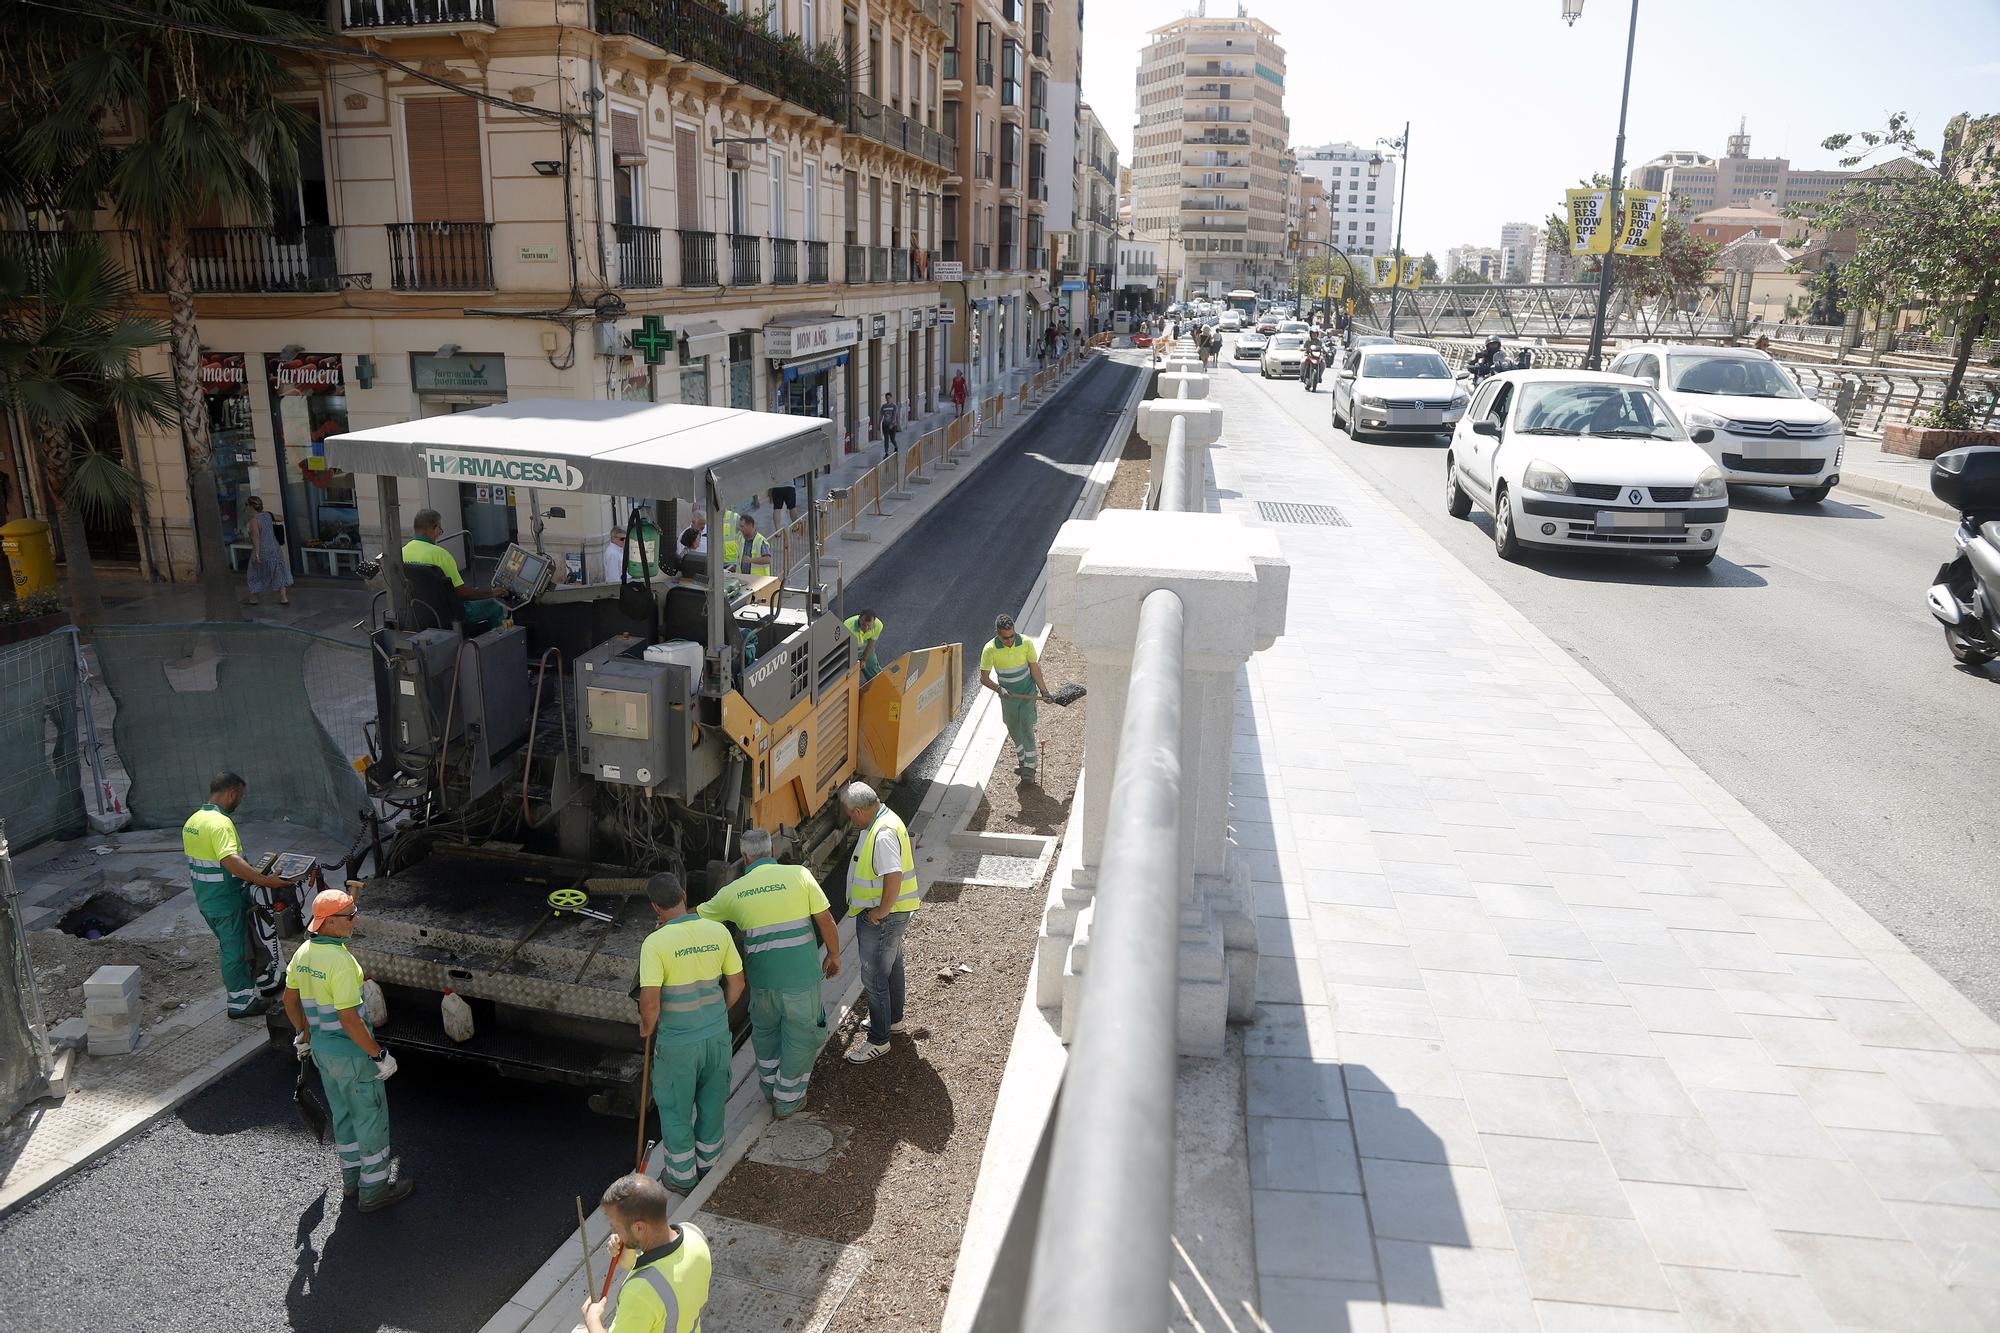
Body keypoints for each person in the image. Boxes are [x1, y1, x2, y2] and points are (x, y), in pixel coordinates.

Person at [282, 888, 415, 1212]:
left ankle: (352, 1182)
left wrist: (303, 1033)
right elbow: (350, 1020)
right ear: (328, 921)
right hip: (353, 1057)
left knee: (343, 1118)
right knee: (370, 1120)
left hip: (324, 1055)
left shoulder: (304, 953)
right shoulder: (341, 962)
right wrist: (378, 1055)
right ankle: (375, 1191)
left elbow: (289, 1000)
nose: (356, 920)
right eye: (350, 916)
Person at [697, 829, 840, 1117]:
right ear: (772, 851)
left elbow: (697, 918)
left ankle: (769, 1089)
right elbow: (825, 919)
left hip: (763, 984)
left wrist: (666, 921)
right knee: (801, 1037)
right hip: (800, 981)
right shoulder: (799, 875)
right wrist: (834, 954)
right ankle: (787, 1100)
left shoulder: (733, 892)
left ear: (746, 857)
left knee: (766, 1035)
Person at [638, 871, 743, 1192]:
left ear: (656, 907)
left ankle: (682, 1178)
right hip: (715, 1036)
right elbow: (737, 984)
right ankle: (710, 1167)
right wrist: (715, 1014)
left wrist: (646, 1028)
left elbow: (651, 1002)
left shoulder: (654, 944)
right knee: (712, 1102)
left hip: (678, 1045)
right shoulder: (717, 931)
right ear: (684, 896)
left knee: (675, 1109)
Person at [184, 772, 303, 1018]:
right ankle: (240, 1002)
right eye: (240, 796)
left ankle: (266, 980)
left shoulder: (194, 821)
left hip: (210, 898)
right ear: (231, 794)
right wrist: (263, 879)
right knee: (235, 950)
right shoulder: (220, 824)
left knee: (250, 939)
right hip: (225, 901)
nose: (240, 800)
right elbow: (229, 860)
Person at [841, 781, 919, 1064]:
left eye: (850, 814)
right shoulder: (885, 819)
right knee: (892, 967)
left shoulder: (882, 833)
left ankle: (878, 1040)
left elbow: (893, 875)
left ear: (860, 811)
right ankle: (892, 1021)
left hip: (884, 917)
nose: (850, 819)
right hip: (890, 915)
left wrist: (880, 912)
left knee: (874, 978)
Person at [582, 1174, 712, 1333]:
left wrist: (592, 1320)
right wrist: (629, 1249)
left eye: (615, 1226)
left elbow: (649, 1287)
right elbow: (659, 1272)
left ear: (639, 1228)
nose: (614, 1232)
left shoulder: (640, 1292)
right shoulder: (694, 1234)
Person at [402, 509, 505, 633]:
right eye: (440, 529)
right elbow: (461, 592)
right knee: (494, 606)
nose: (439, 533)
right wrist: (491, 593)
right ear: (435, 529)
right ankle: (496, 643)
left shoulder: (402, 553)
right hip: (449, 614)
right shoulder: (441, 555)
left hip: (417, 613)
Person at [979, 613, 1053, 781]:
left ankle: (1030, 770)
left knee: (1026, 727)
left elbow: (1034, 668)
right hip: (1009, 697)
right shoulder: (989, 649)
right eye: (1005, 638)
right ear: (998, 633)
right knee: (1014, 729)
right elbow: (983, 678)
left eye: (1012, 636)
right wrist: (999, 689)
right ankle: (1023, 763)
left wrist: (1044, 691)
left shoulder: (1025, 642)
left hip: (1028, 693)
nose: (1010, 640)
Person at [241, 496, 291, 608]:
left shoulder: (254, 521)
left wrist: (257, 554)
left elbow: (256, 538)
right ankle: (284, 598)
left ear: (251, 506)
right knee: (278, 570)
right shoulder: (268, 515)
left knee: (254, 573)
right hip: (275, 548)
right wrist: (270, 515)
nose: (246, 507)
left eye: (246, 505)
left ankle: (253, 598)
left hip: (263, 549)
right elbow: (281, 518)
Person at [844, 609, 884, 682]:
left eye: (869, 626)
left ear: (874, 622)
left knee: (872, 666)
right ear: (859, 619)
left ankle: (879, 684)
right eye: (863, 625)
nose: (866, 628)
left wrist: (864, 659)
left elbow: (871, 643)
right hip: (849, 647)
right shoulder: (848, 627)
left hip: (864, 642)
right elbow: (845, 649)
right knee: (851, 673)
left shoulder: (878, 625)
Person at [733, 513, 772, 578]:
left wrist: (751, 560)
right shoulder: (740, 539)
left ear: (750, 525)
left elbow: (767, 559)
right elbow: (739, 557)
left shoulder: (760, 541)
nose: (741, 529)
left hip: (759, 580)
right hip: (743, 578)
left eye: (742, 526)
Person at [878, 393, 900, 458]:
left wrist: (892, 424)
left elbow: (894, 416)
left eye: (889, 398)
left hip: (892, 426)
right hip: (885, 425)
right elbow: (881, 415)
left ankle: (896, 446)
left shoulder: (894, 406)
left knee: (892, 439)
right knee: (886, 439)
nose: (887, 399)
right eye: (886, 398)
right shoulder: (883, 406)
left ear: (891, 398)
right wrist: (879, 424)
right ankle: (886, 452)